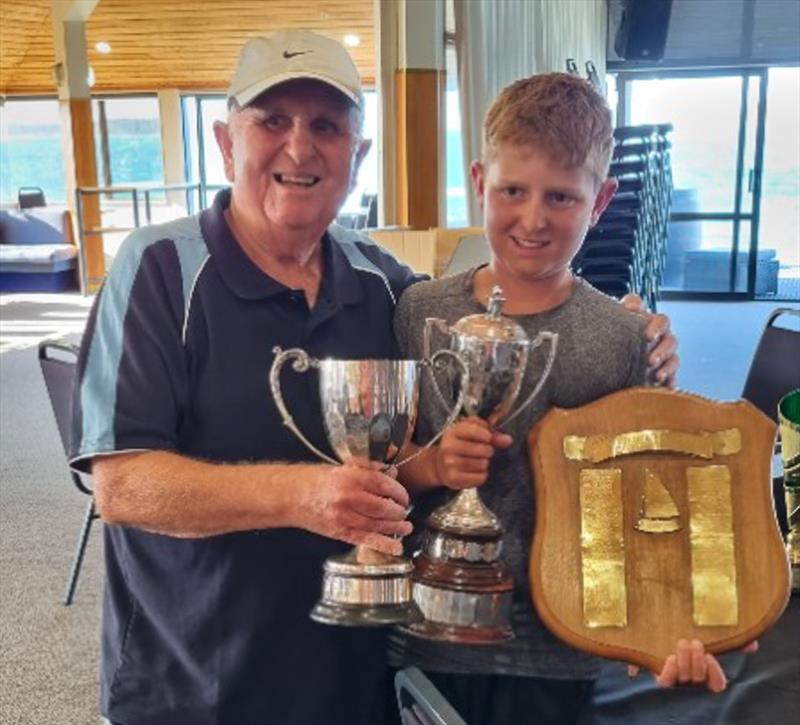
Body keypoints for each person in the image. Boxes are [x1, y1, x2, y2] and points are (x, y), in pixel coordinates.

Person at [70, 32, 677, 725]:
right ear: (225, 141)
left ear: (357, 156)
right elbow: (122, 487)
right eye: (273, 120)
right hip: (194, 686)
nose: (300, 149)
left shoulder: (387, 286)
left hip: (359, 676)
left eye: (326, 126)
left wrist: (628, 324)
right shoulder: (156, 267)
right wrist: (305, 494)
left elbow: (495, 321)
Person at [390, 73, 743, 725]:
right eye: (512, 191)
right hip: (424, 635)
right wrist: (432, 464)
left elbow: (652, 503)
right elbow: (386, 462)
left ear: (601, 199)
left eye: (560, 196)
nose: (533, 218)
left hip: (565, 651)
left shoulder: (624, 338)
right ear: (478, 182)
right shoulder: (416, 311)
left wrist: (681, 625)